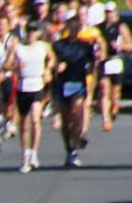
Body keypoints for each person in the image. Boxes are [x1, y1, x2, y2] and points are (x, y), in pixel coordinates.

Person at [52, 17, 100, 168]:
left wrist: (91, 81)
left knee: (75, 111)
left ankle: (78, 137)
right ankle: (69, 148)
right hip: (62, 84)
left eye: (76, 28)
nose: (73, 31)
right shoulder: (59, 45)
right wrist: (57, 67)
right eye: (71, 28)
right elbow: (52, 62)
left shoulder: (85, 46)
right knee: (65, 119)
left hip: (78, 83)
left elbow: (93, 64)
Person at [9, 22, 54, 174]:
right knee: (24, 123)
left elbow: (52, 59)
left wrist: (47, 69)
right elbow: (7, 64)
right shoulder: (18, 47)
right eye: (28, 31)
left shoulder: (43, 46)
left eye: (34, 31)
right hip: (23, 85)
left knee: (35, 118)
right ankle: (25, 153)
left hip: (37, 84)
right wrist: (16, 67)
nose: (31, 34)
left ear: (38, 33)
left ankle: (34, 152)